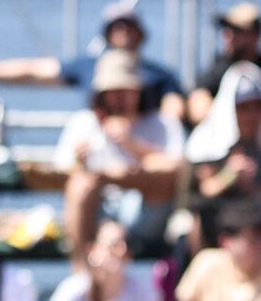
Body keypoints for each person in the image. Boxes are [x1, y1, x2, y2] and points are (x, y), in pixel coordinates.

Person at [52, 49, 187, 259]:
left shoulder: (163, 124)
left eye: (126, 91)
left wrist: (132, 146)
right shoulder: (83, 123)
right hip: (98, 212)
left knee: (159, 180)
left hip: (143, 215)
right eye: (112, 91)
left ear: (139, 91)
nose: (118, 99)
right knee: (81, 186)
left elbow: (176, 169)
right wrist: (79, 161)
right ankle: (83, 272)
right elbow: (59, 171)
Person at [0, 1, 184, 118]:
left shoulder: (161, 75)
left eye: (128, 26)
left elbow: (173, 113)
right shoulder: (88, 66)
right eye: (116, 27)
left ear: (140, 32)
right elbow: (35, 70)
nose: (123, 32)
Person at [186, 62, 261, 242]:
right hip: (220, 233)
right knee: (196, 221)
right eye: (243, 107)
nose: (251, 115)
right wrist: (229, 175)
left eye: (257, 106)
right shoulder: (209, 145)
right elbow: (206, 190)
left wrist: (254, 190)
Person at [189, 2, 261, 124]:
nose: (228, 36)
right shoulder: (217, 71)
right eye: (227, 29)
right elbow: (198, 111)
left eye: (237, 31)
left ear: (256, 36)